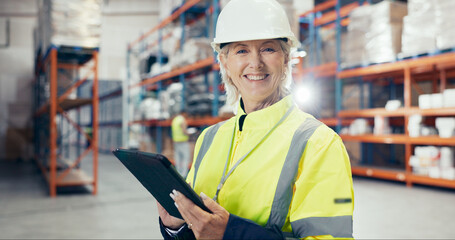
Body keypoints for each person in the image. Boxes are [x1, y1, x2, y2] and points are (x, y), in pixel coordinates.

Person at [157, 0, 354, 239]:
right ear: (225, 63)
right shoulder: (209, 138)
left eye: (268, 49)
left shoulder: (319, 143)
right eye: (241, 50)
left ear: (285, 59)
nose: (255, 63)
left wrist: (231, 234)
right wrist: (174, 227)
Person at [171, 110, 191, 178]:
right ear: (184, 113)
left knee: (178, 158)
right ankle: (184, 175)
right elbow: (184, 131)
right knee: (186, 158)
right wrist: (190, 133)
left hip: (176, 141)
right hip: (183, 141)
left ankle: (178, 173)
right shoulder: (182, 120)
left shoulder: (175, 120)